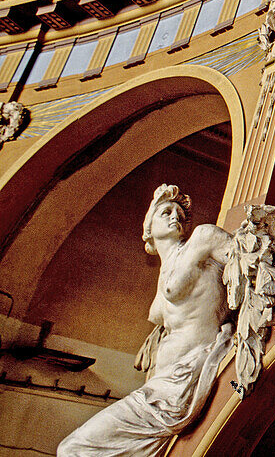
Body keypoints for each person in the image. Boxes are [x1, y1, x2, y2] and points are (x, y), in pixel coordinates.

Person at [57, 185, 233, 456]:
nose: (176, 216)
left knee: (74, 449)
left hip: (177, 386)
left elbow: (247, 256)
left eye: (179, 213)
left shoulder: (202, 238)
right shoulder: (164, 272)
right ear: (149, 228)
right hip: (157, 385)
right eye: (166, 211)